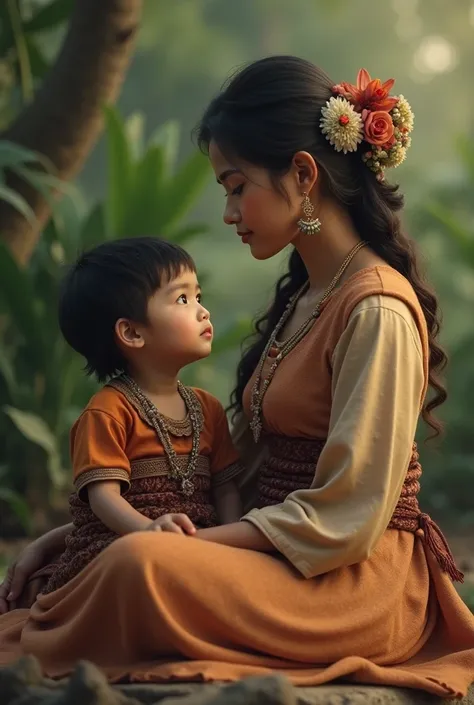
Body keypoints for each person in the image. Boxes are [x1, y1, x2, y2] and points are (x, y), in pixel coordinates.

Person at [0, 56, 473, 698]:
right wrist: (73, 534)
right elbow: (240, 473)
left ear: (303, 176)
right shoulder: (308, 296)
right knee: (133, 559)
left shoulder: (377, 309)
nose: (228, 212)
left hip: (351, 581)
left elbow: (348, 516)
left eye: (235, 185)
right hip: (283, 559)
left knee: (143, 563)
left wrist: (183, 548)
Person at [35, 237, 243, 594]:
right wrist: (147, 531)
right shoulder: (109, 411)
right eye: (182, 299)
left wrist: (236, 539)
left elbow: (225, 488)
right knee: (139, 565)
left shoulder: (207, 408)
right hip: (125, 543)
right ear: (131, 332)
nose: (202, 311)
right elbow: (104, 498)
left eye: (199, 297)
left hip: (197, 541)